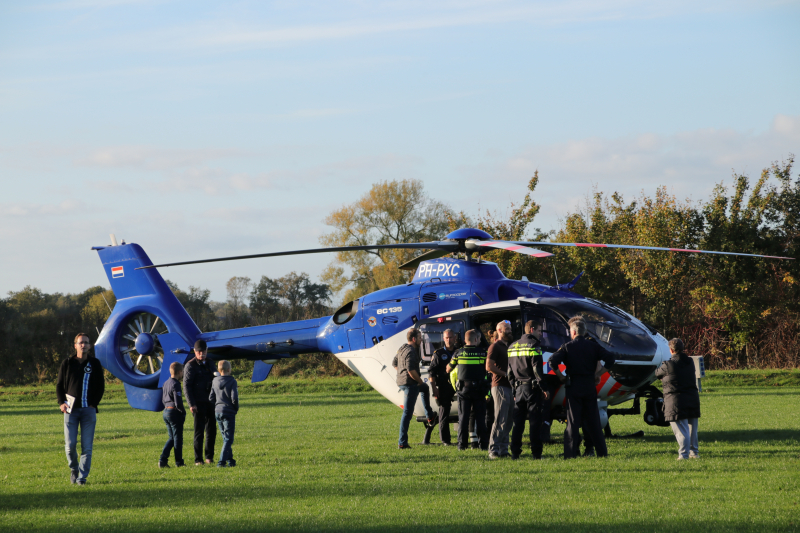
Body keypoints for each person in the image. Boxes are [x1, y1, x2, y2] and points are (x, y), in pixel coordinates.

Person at [549, 317, 616, 459]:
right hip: (589, 385)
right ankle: (601, 453)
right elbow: (610, 358)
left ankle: (570, 453)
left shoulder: (567, 346)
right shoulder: (593, 346)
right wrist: (598, 374)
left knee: (573, 421)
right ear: (585, 332)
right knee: (594, 421)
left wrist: (560, 376)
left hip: (573, 385)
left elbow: (552, 361)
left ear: (572, 332)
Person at [56, 333, 105, 485]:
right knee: (70, 446)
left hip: (88, 411)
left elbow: (101, 386)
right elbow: (59, 385)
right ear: (75, 345)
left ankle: (82, 478)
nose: (83, 345)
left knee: (87, 447)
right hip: (70, 411)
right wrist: (61, 403)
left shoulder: (95, 363)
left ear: (90, 346)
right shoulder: (67, 363)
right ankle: (74, 469)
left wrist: (93, 404)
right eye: (80, 342)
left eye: (86, 342)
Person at [508, 319, 548, 460]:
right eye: (539, 330)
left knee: (518, 423)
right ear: (531, 330)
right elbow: (537, 369)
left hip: (519, 389)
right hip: (532, 388)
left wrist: (514, 388)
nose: (540, 333)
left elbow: (509, 373)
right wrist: (543, 387)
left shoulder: (512, 346)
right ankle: (536, 453)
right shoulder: (534, 345)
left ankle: (515, 452)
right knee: (534, 422)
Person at [655, 338, 701, 460]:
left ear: (671, 350)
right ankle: (694, 453)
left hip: (676, 400)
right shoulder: (690, 361)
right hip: (692, 398)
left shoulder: (667, 364)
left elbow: (657, 373)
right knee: (692, 428)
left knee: (681, 429)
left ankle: (683, 454)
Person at [394, 329, 436, 449]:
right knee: (407, 413)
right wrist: (419, 381)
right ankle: (402, 443)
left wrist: (401, 373)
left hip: (401, 382)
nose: (421, 340)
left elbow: (394, 363)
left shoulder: (402, 348)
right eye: (419, 337)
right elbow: (411, 371)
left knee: (425, 388)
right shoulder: (411, 351)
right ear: (413, 339)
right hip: (410, 384)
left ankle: (429, 415)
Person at [447, 329, 489, 451]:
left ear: (465, 340)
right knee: (480, 418)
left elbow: (448, 369)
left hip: (463, 390)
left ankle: (462, 445)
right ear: (476, 339)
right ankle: (484, 445)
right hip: (479, 389)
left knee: (463, 418)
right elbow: (487, 369)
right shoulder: (482, 353)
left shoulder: (458, 353)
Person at [184, 339, 217, 465]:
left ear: (206, 351)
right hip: (197, 403)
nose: (201, 354)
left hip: (210, 402)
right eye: (199, 352)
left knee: (211, 431)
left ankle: (209, 457)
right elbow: (186, 386)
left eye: (203, 351)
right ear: (195, 352)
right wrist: (191, 404)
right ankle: (198, 459)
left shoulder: (210, 363)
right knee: (199, 432)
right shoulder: (190, 365)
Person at [486, 320, 514, 459]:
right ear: (500, 330)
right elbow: (489, 366)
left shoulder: (507, 346)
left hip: (509, 386)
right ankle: (493, 449)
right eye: (507, 328)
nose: (510, 330)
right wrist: (506, 374)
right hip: (499, 386)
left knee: (508, 420)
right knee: (500, 419)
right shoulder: (495, 346)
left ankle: (503, 450)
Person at [428, 329, 458, 445]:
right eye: (446, 338)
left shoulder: (459, 351)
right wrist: (434, 388)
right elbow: (431, 372)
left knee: (464, 411)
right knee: (444, 412)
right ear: (443, 339)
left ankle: (463, 438)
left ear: (455, 338)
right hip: (444, 386)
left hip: (459, 386)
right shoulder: (438, 353)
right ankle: (445, 440)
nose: (449, 340)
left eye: (450, 337)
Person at [209, 360, 239, 467]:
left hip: (218, 411)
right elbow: (234, 398)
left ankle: (230, 461)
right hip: (228, 411)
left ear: (219, 370)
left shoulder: (215, 381)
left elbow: (211, 397)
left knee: (225, 437)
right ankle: (221, 462)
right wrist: (235, 408)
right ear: (229, 369)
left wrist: (217, 405)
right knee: (228, 438)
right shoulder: (232, 381)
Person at [159, 362, 186, 468]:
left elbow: (163, 399)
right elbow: (178, 401)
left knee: (172, 438)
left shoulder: (166, 383)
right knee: (178, 439)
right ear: (179, 372)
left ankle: (163, 460)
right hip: (174, 412)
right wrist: (183, 412)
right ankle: (179, 462)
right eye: (182, 372)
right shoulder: (176, 384)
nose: (183, 374)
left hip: (166, 411)